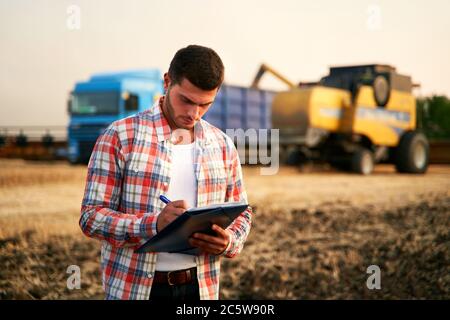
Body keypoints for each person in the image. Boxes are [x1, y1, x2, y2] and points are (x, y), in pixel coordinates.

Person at [79, 45, 252, 300]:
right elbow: (90, 217)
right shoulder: (119, 136)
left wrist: (228, 241)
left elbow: (243, 213)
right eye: (186, 100)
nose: (194, 113)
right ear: (167, 82)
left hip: (201, 289)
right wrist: (153, 224)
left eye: (205, 105)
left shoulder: (223, 145)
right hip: (134, 290)